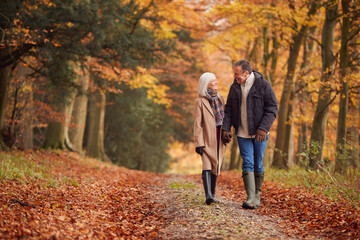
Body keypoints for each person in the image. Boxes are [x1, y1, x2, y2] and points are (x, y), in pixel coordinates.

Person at [222, 60, 278, 209]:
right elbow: (228, 110)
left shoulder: (263, 85)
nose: (235, 76)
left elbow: (272, 108)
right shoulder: (234, 87)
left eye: (237, 73)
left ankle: (257, 196)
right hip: (242, 132)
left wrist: (264, 128)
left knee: (257, 163)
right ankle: (250, 198)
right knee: (247, 161)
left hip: (260, 133)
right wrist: (225, 128)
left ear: (246, 73)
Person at [194, 72, 226, 205]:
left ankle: (213, 194)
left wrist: (227, 132)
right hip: (206, 137)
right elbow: (197, 124)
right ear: (205, 83)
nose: (216, 82)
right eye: (213, 81)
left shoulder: (220, 98)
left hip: (219, 136)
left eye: (215, 80)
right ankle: (208, 196)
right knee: (207, 164)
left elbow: (225, 118)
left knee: (216, 164)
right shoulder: (199, 101)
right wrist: (198, 143)